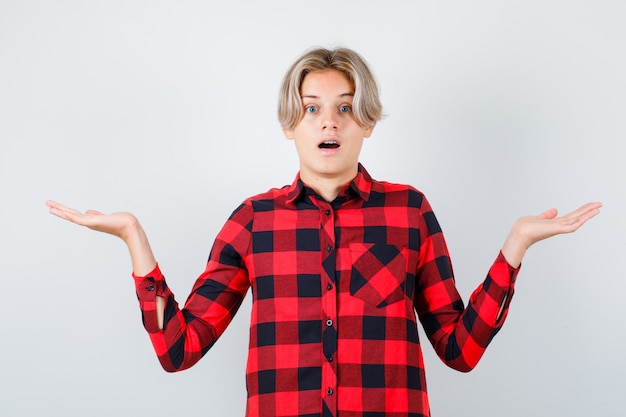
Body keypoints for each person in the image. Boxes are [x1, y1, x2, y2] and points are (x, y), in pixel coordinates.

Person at [46, 47, 601, 417]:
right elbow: (179, 349)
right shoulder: (253, 220)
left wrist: (515, 247)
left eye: (345, 108)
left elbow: (459, 350)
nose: (329, 121)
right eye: (312, 109)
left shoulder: (410, 212)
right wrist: (133, 239)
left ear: (368, 122)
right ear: (291, 124)